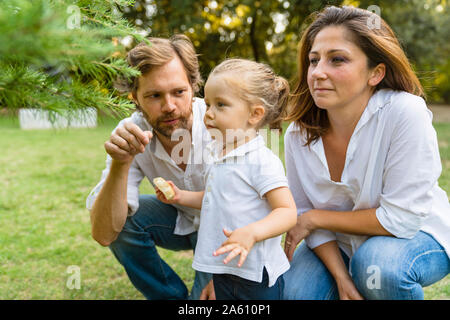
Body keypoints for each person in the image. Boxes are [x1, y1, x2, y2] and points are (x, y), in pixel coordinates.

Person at [282, 6, 450, 300]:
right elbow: (305, 215)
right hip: (340, 245)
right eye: (313, 60)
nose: (318, 72)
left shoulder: (404, 112)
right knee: (295, 292)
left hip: (416, 235)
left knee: (377, 268)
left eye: (337, 59)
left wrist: (315, 218)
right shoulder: (298, 133)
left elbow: (401, 218)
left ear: (376, 73)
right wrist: (341, 276)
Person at [155, 58, 297, 300]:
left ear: (254, 114)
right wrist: (180, 196)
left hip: (255, 274)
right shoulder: (218, 153)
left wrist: (252, 232)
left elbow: (287, 212)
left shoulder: (261, 160)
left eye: (220, 105)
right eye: (208, 104)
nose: (208, 114)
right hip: (223, 267)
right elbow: (215, 198)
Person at [86, 34, 215, 300]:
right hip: (180, 222)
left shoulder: (221, 125)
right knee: (125, 219)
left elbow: (252, 206)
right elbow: (103, 234)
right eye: (154, 95)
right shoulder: (130, 133)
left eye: (179, 92)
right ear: (135, 97)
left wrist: (220, 274)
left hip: (226, 231)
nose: (169, 107)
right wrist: (120, 166)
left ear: (193, 86)